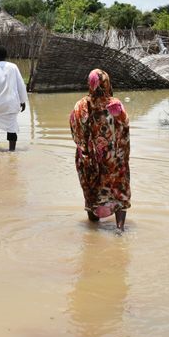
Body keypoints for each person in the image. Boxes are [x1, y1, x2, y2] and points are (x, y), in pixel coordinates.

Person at [69, 69, 131, 230]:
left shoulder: (80, 106)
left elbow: (75, 132)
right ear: (107, 84)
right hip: (113, 160)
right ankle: (120, 229)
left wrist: (87, 150)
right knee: (119, 190)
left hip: (88, 158)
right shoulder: (115, 105)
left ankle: (93, 232)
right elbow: (125, 128)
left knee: (92, 192)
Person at [0, 45, 28, 151]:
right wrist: (23, 101)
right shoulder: (13, 67)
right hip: (10, 104)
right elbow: (20, 85)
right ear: (6, 55)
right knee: (11, 127)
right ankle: (12, 152)